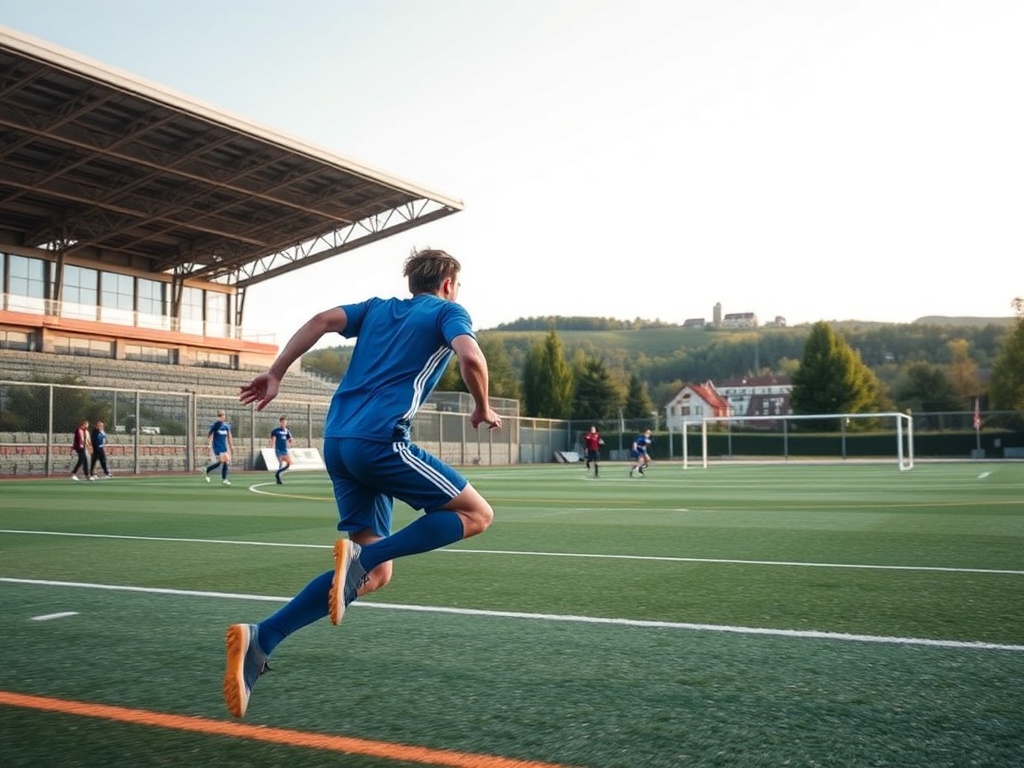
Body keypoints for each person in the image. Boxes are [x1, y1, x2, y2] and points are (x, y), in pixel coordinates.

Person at [223, 247, 502, 719]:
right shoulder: (449, 312)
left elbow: (319, 320)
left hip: (338, 443)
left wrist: (276, 373)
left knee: (375, 577)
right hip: (380, 441)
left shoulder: (374, 309)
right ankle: (362, 557)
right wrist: (481, 406)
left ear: (411, 280)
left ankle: (262, 638)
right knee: (476, 514)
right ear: (449, 283)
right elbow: (471, 358)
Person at [205, 410, 234, 485]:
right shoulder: (215, 425)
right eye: (220, 416)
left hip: (223, 446)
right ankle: (224, 479)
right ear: (218, 417)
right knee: (224, 460)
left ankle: (208, 470)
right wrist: (209, 444)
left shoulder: (226, 426)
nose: (222, 417)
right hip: (217, 446)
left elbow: (229, 437)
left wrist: (231, 446)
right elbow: (210, 435)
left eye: (223, 415)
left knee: (222, 462)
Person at [269, 415, 294, 484]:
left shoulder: (287, 431)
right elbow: (273, 439)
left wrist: (291, 443)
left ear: (286, 423)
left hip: (285, 450)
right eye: (282, 422)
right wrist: (272, 446)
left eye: (284, 422)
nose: (283, 423)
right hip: (278, 449)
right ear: (280, 423)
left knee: (289, 464)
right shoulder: (275, 431)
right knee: (280, 463)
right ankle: (278, 478)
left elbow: (290, 439)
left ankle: (278, 472)